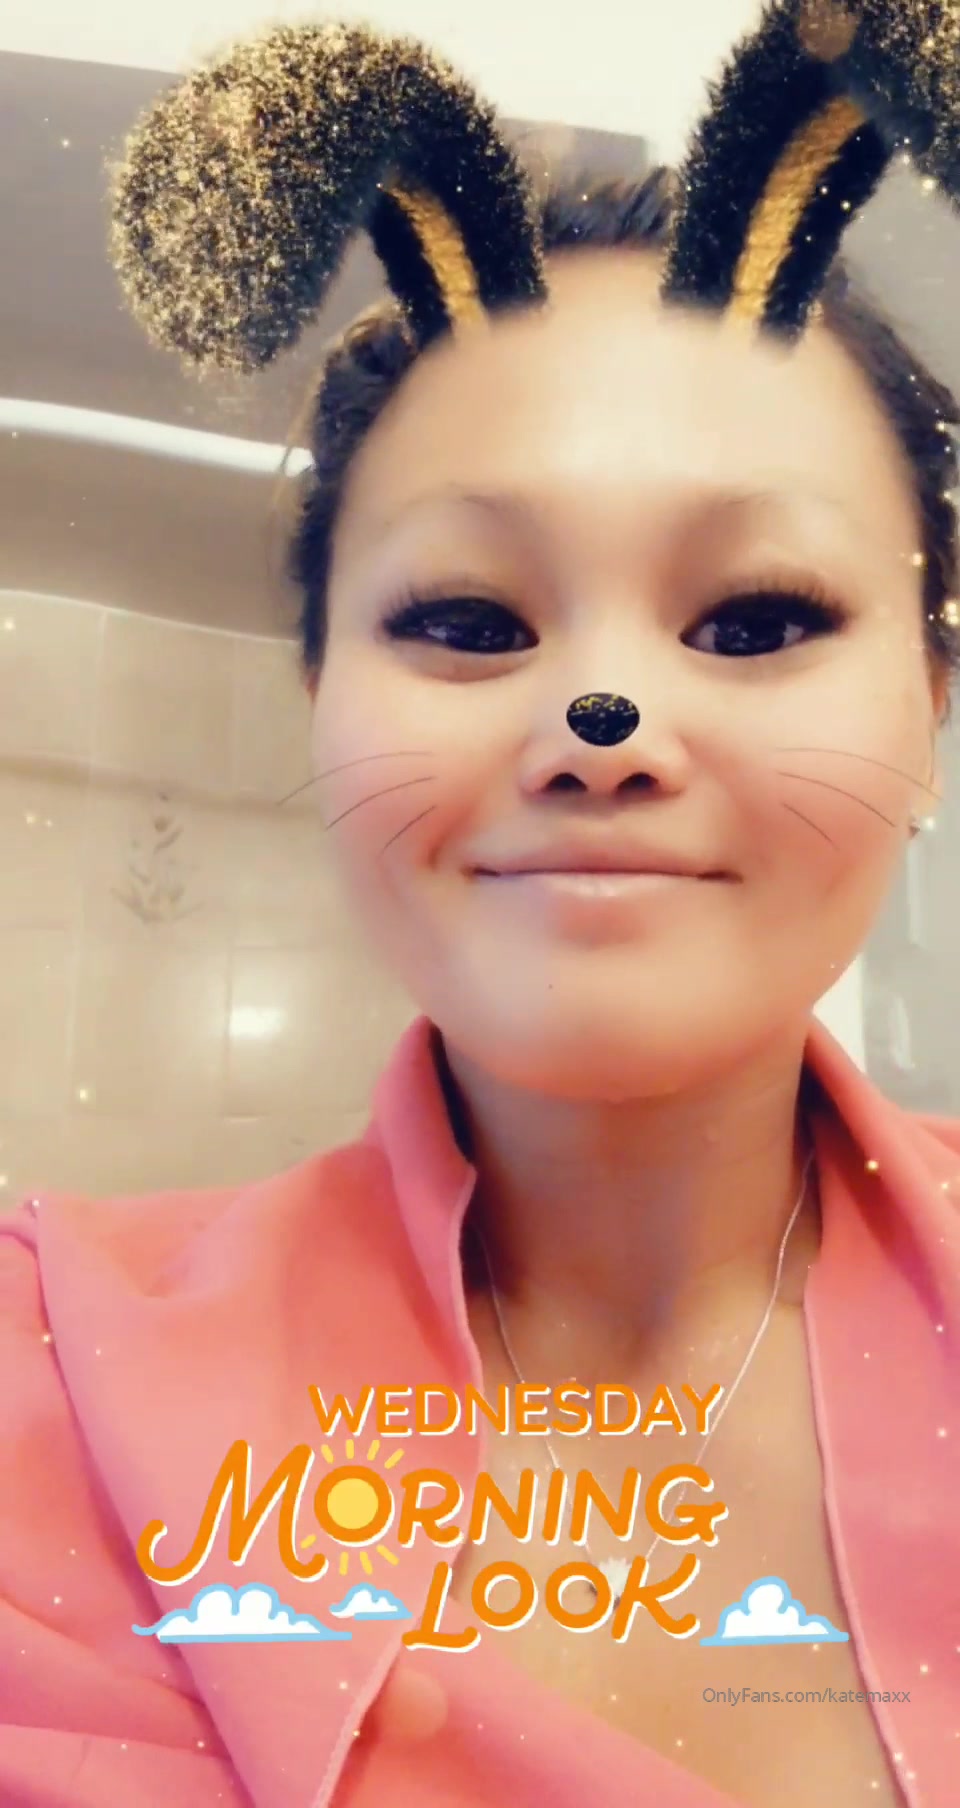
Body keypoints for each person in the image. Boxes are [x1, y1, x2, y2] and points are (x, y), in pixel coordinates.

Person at [2, 6, 958, 1807]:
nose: (605, 727)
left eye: (755, 618)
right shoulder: (46, 1377)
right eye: (464, 620)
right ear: (320, 693)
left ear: (931, 698)